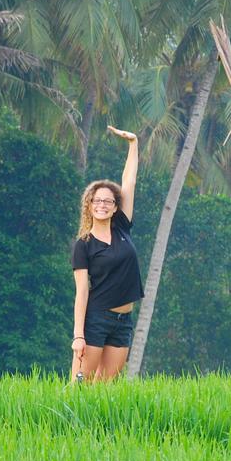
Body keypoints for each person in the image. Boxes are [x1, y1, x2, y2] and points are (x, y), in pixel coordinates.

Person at [70, 125, 143, 382]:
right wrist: (79, 334)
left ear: (115, 208)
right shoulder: (84, 244)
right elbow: (82, 292)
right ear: (89, 206)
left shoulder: (122, 226)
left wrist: (133, 144)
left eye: (108, 201)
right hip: (97, 318)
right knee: (80, 387)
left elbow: (129, 182)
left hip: (123, 320)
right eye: (97, 201)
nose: (102, 205)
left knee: (105, 390)